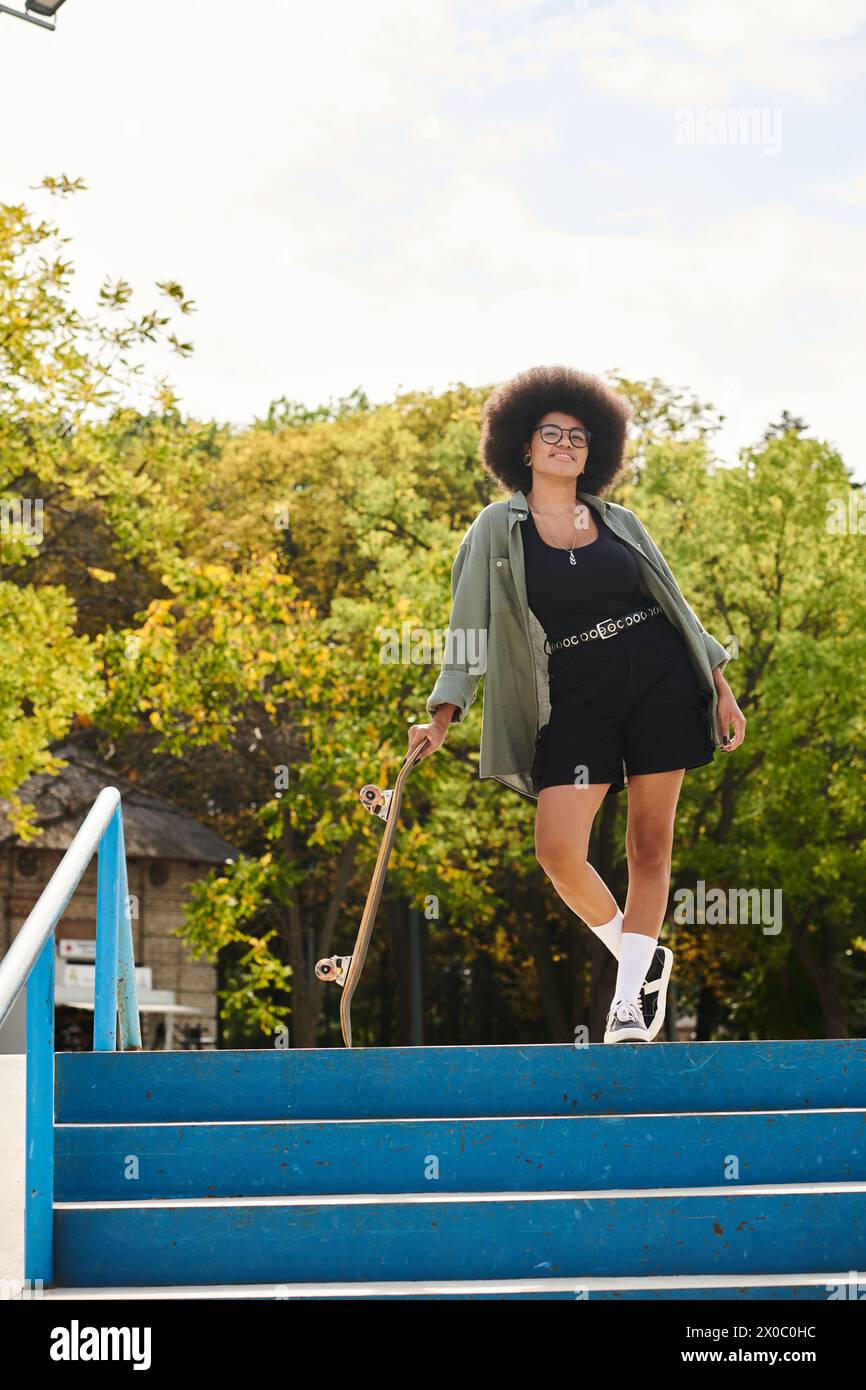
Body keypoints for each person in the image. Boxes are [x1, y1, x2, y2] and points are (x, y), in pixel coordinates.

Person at [409, 365, 746, 1044]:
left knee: (650, 846)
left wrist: (720, 685)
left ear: (595, 453)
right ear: (523, 448)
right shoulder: (495, 531)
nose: (566, 444)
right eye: (551, 434)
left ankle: (627, 1005)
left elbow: (673, 604)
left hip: (661, 675)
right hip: (576, 688)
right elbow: (468, 627)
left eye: (579, 437)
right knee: (559, 850)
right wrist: (444, 713)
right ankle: (639, 957)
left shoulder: (620, 522)